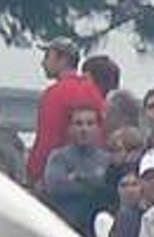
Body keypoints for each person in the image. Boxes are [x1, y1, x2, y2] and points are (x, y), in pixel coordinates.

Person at [27, 39, 106, 189]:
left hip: (58, 177)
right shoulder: (94, 91)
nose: (43, 64)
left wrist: (34, 174)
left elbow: (47, 139)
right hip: (92, 177)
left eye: (47, 57)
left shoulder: (55, 94)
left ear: (62, 60)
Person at [42, 106, 108, 236]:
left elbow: (107, 189)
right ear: (69, 128)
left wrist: (76, 177)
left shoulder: (107, 159)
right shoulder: (58, 157)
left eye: (90, 124)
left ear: (98, 128)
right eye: (78, 124)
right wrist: (94, 179)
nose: (84, 129)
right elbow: (55, 187)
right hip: (65, 228)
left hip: (96, 230)